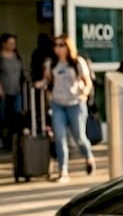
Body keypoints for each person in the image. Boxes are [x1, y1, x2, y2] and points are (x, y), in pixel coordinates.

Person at [38, 34, 95, 182]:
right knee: (59, 137)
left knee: (79, 137)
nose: (58, 48)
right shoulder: (51, 63)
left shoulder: (77, 62)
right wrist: (41, 84)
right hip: (58, 104)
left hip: (75, 103)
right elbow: (47, 79)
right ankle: (63, 171)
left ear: (68, 46)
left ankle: (88, 156)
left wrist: (84, 94)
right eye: (56, 45)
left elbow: (87, 82)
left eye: (61, 45)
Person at [0, 33, 25, 150]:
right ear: (3, 44)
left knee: (16, 115)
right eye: (10, 43)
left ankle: (13, 140)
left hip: (16, 90)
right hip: (3, 91)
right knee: (1, 116)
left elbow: (21, 72)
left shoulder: (17, 57)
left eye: (14, 43)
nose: (12, 46)